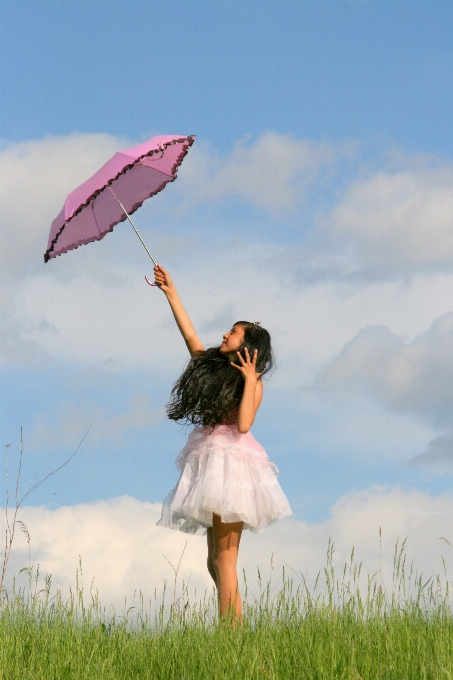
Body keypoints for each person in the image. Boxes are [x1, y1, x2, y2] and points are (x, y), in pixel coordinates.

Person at [153, 264, 292, 620]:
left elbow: (244, 425)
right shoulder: (215, 371)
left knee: (225, 559)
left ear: (248, 346)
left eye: (234, 332)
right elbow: (190, 338)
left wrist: (248, 378)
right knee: (215, 561)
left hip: (235, 467)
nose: (226, 335)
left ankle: (233, 635)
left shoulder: (254, 382)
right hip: (214, 462)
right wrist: (171, 293)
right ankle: (230, 630)